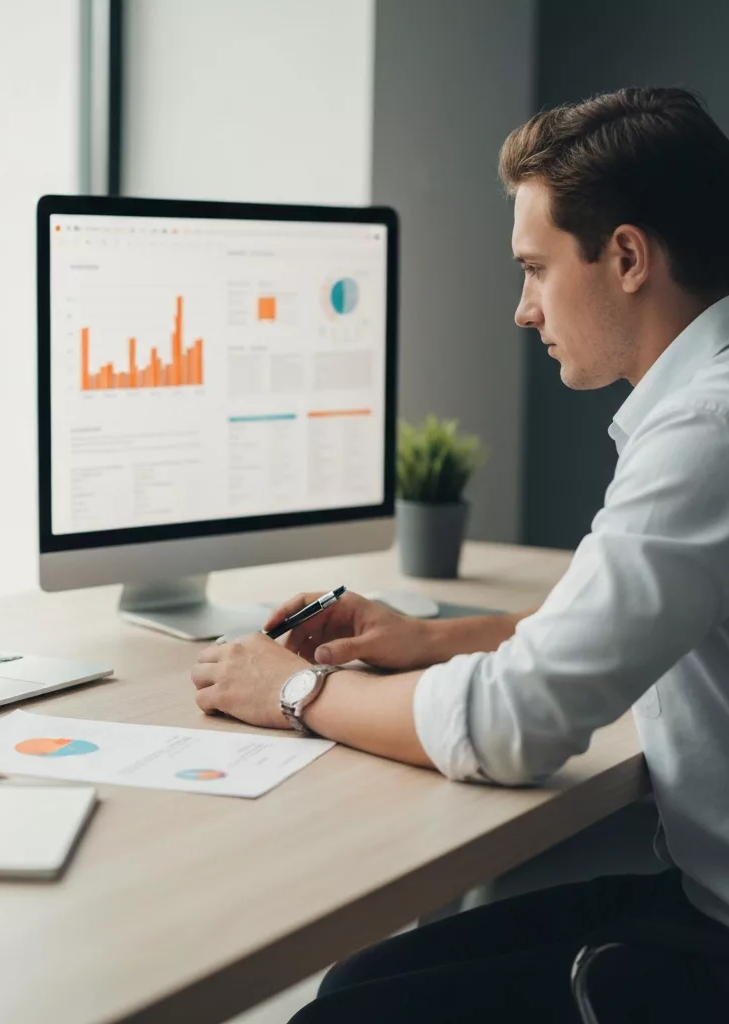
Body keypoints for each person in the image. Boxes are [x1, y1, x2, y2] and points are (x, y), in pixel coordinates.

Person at [190, 86, 729, 1022]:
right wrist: (434, 641)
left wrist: (289, 693)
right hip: (699, 898)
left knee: (343, 1013)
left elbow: (514, 727)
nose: (522, 310)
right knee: (359, 983)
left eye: (535, 268)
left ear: (629, 257)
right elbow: (637, 621)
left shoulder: (707, 432)